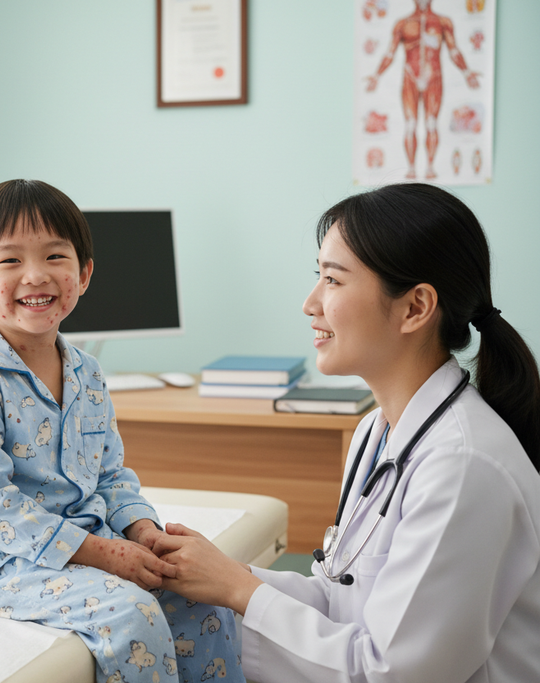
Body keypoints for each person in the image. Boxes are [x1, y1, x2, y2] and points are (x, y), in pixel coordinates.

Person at [154, 183, 540, 682]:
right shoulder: (377, 431)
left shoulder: (463, 466)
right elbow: (343, 597)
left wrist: (238, 592)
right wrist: (224, 576)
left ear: (416, 307)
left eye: (333, 281)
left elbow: (391, 673)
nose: (310, 303)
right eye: (318, 277)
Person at [0, 179, 243, 683]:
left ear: (85, 273)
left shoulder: (87, 373)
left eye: (55, 256)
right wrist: (103, 554)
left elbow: (110, 475)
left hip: (89, 539)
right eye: (9, 261)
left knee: (200, 597)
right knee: (131, 615)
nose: (35, 275)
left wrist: (143, 531)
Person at [366, 0, 480, 179]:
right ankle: (411, 168)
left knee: (431, 124)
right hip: (410, 77)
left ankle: (430, 167)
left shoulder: (443, 22)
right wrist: (377, 75)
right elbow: (390, 53)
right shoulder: (403, 23)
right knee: (410, 125)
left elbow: (454, 51)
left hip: (433, 78)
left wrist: (466, 72)